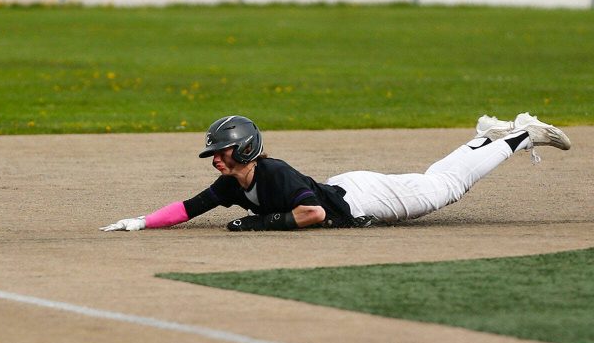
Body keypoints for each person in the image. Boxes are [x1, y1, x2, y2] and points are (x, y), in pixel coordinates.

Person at [101, 113, 571, 233]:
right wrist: (140, 221)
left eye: (222, 152)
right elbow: (189, 208)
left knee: (445, 186)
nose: (216, 159)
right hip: (350, 189)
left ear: (245, 149)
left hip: (362, 199)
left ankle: (519, 136)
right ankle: (483, 138)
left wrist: (261, 223)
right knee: (435, 180)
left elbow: (311, 215)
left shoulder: (275, 174)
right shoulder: (233, 184)